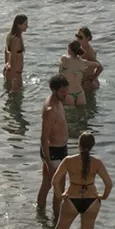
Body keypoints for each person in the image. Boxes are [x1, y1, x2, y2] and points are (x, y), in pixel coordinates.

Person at [44, 133, 111, 229]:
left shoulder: (69, 161)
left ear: (78, 144)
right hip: (92, 201)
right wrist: (103, 197)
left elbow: (55, 180)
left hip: (71, 200)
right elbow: (109, 184)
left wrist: (60, 196)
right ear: (93, 146)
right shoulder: (97, 163)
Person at [38, 76, 72, 218]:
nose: (65, 95)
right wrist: (48, 162)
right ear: (54, 90)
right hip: (52, 151)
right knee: (58, 186)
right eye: (63, 92)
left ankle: (41, 214)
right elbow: (44, 138)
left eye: (66, 91)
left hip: (61, 148)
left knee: (48, 184)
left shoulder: (59, 101)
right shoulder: (50, 109)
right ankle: (56, 219)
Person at [58, 39, 98, 104]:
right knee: (81, 113)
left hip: (69, 94)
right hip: (80, 94)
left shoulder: (64, 58)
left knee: (69, 113)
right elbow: (97, 65)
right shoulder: (83, 62)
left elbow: (60, 74)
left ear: (70, 49)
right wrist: (90, 74)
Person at [2, 14, 28, 90]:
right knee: (16, 99)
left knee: (11, 99)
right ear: (19, 25)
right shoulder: (16, 40)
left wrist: (6, 66)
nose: (27, 26)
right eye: (25, 24)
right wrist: (14, 79)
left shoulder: (11, 36)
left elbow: (6, 53)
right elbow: (13, 58)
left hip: (12, 72)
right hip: (15, 74)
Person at [75, 27, 102, 96]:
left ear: (87, 38)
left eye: (80, 37)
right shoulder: (82, 48)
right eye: (77, 36)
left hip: (87, 84)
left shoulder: (88, 52)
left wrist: (92, 77)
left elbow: (100, 67)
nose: (78, 39)